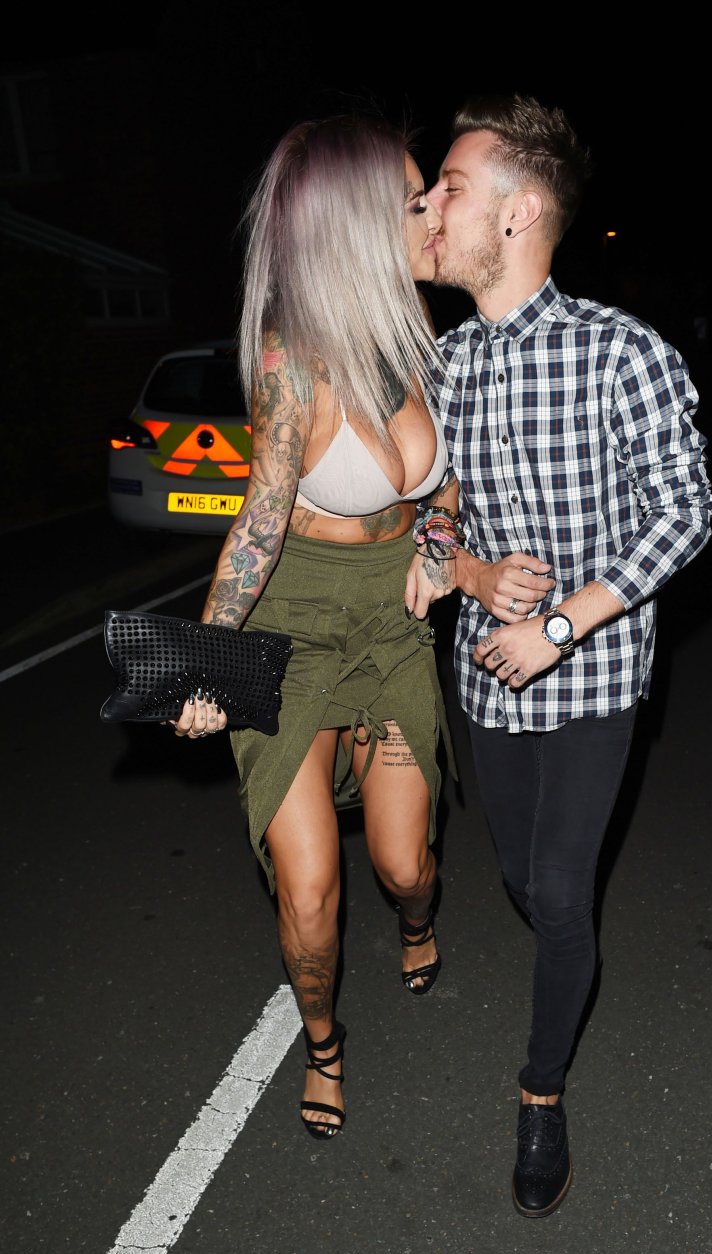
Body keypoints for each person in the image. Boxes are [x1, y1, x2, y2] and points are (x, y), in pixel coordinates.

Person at [406, 94, 712, 1217]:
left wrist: (562, 622)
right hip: (488, 676)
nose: (429, 208)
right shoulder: (444, 363)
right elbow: (430, 513)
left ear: (520, 211)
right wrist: (470, 573)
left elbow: (686, 511)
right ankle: (565, 951)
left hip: (593, 674)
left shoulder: (622, 352)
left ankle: (541, 1093)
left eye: (449, 188)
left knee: (559, 890)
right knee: (519, 881)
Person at [173, 112, 456, 1142]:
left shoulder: (422, 333)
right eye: (414, 202)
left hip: (391, 618)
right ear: (355, 224)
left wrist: (440, 538)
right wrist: (209, 660)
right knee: (308, 888)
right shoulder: (290, 358)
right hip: (292, 624)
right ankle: (324, 1042)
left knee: (403, 865)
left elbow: (447, 484)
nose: (433, 215)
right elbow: (259, 521)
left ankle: (418, 921)